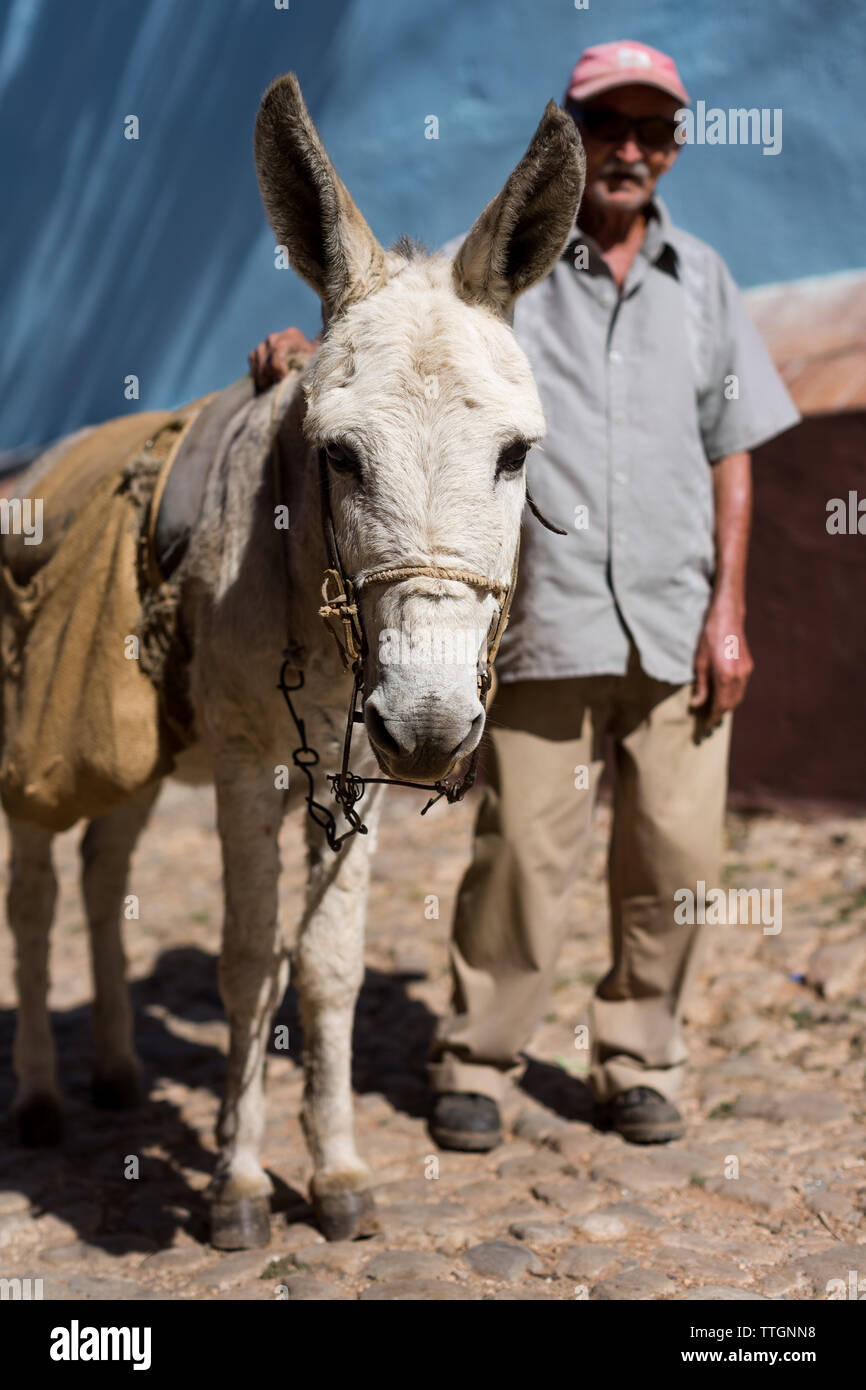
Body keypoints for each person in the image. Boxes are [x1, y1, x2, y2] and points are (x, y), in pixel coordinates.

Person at [249, 41, 799, 1149]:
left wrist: (729, 610)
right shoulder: (482, 275)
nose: (628, 150)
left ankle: (638, 1054)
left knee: (678, 858)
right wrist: (314, 351)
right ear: (578, 135)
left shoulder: (706, 285)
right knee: (519, 855)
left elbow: (730, 448)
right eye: (608, 127)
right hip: (546, 623)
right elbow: (389, 338)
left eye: (650, 130)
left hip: (674, 614)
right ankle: (478, 1059)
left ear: (675, 146)